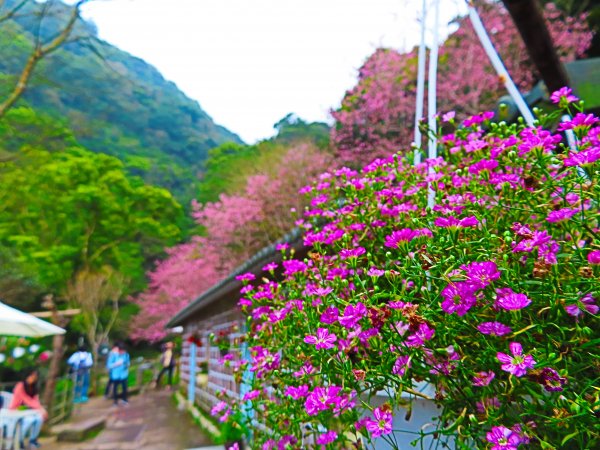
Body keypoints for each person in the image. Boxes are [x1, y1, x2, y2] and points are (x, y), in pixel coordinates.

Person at [9, 369, 47, 449]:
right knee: (29, 420)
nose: (33, 378)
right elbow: (27, 400)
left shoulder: (34, 388)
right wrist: (41, 409)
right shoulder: (20, 386)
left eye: (35, 376)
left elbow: (36, 400)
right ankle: (19, 441)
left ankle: (32, 440)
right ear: (27, 376)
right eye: (31, 375)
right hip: (16, 410)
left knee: (39, 418)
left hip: (28, 411)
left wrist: (40, 409)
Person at [107, 342, 130, 406]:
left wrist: (126, 364)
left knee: (124, 388)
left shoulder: (126, 355)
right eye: (122, 350)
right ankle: (115, 402)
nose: (123, 352)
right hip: (115, 375)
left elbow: (128, 363)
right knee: (115, 389)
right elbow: (109, 365)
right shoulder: (113, 355)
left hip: (123, 374)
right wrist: (116, 364)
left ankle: (125, 400)